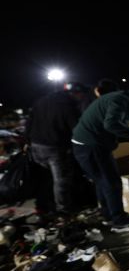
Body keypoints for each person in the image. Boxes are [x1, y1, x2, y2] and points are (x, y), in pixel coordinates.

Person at [71, 84, 129, 232]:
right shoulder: (120, 100)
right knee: (111, 182)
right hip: (91, 145)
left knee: (101, 181)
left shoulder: (119, 98)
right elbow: (111, 124)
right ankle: (119, 221)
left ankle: (108, 216)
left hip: (86, 144)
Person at [26, 82, 88, 218]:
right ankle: (63, 210)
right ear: (76, 93)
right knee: (61, 180)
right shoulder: (68, 106)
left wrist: (28, 141)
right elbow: (76, 128)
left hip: (36, 146)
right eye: (81, 95)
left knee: (46, 179)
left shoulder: (41, 101)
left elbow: (29, 122)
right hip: (54, 148)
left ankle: (45, 206)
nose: (81, 99)